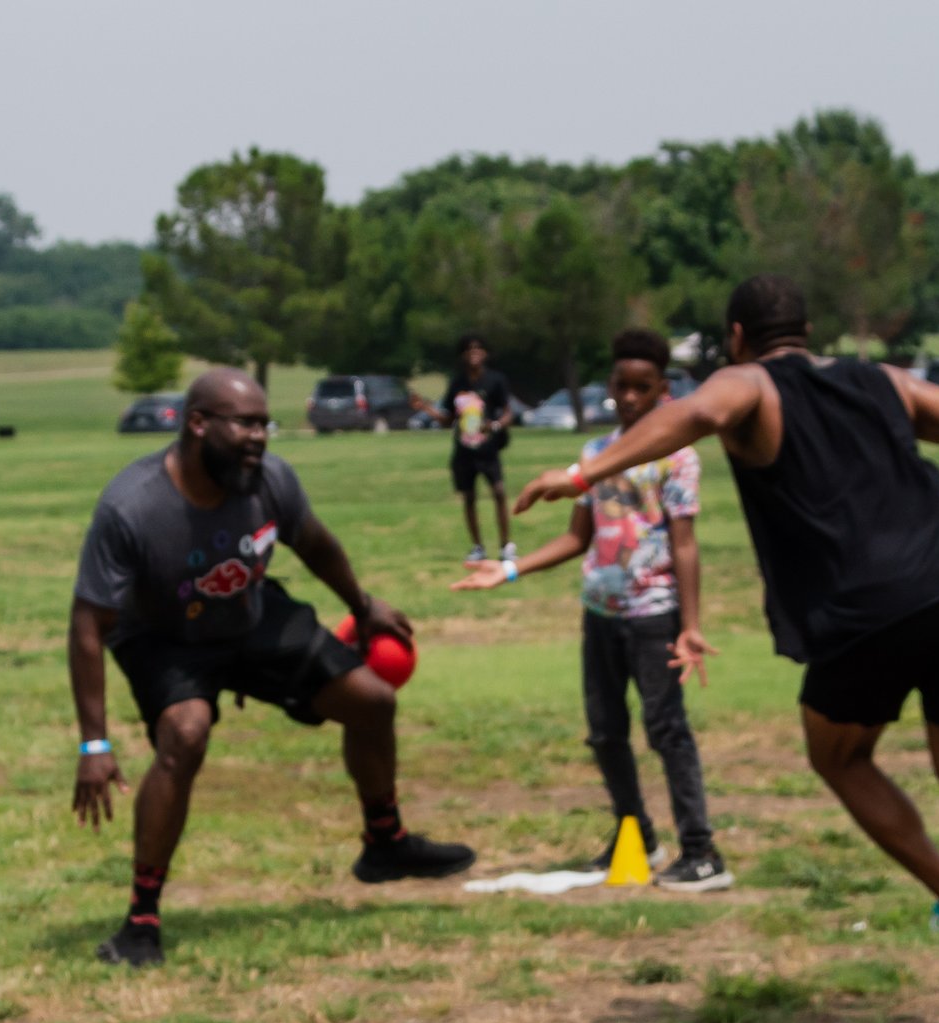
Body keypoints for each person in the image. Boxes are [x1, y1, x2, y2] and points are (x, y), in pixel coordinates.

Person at [512, 275, 939, 982]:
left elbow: (692, 415)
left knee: (838, 756)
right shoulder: (883, 381)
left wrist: (585, 472)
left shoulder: (749, 385)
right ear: (807, 332)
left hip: (870, 605)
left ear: (738, 337)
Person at [70, 368, 475, 968]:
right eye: (246, 424)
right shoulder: (133, 506)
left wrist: (363, 609)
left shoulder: (270, 481)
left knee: (372, 701)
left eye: (265, 423)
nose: (260, 437)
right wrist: (94, 743)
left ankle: (384, 843)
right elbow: (86, 626)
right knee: (184, 735)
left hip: (249, 615)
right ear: (198, 423)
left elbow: (314, 543)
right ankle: (141, 920)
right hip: (165, 637)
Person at [453, 328, 731, 891]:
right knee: (605, 732)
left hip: (653, 614)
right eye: (621, 386)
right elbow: (579, 538)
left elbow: (684, 543)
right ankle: (636, 835)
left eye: (642, 387)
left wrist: (691, 625)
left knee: (665, 729)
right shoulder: (595, 454)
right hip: (600, 611)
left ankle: (701, 851)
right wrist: (509, 568)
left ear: (662, 391)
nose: (629, 397)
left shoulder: (678, 458)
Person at [429, 334, 518, 565]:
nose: (474, 352)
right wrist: (426, 409)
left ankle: (505, 545)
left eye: (478, 348)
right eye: (469, 349)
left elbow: (509, 413)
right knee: (469, 498)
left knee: (499, 493)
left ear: (486, 353)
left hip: (488, 449)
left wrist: (496, 425)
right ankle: (478, 547)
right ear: (462, 354)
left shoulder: (495, 380)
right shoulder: (457, 383)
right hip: (464, 451)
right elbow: (448, 419)